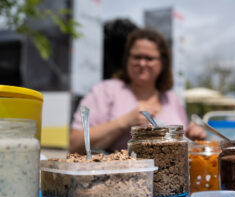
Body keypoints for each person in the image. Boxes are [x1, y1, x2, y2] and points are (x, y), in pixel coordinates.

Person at [69, 28, 206, 154]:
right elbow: (74, 144)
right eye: (136, 57)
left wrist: (191, 137)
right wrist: (123, 122)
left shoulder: (172, 99)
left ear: (163, 62)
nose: (142, 63)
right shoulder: (105, 91)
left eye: (149, 58)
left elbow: (183, 145)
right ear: (127, 59)